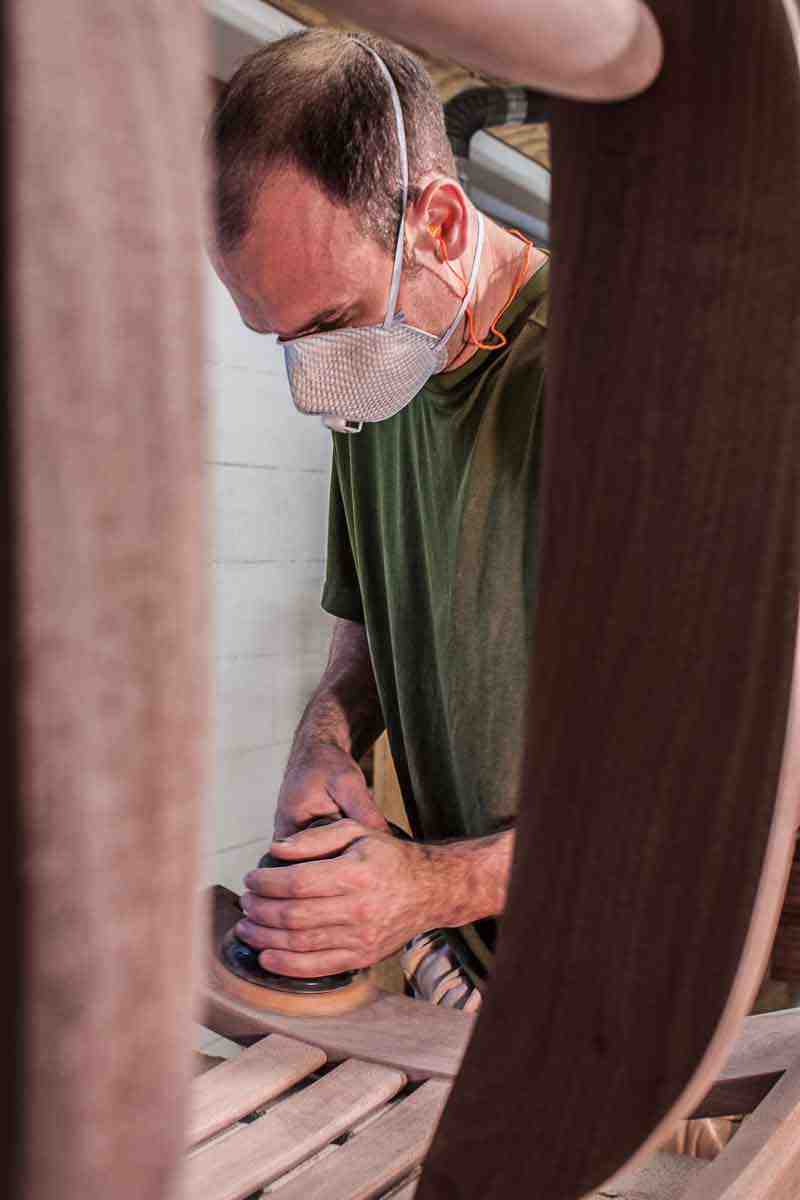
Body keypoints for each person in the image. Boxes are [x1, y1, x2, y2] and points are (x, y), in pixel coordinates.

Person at [205, 14, 659, 1010]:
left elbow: (705, 790)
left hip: (659, 996)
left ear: (441, 225)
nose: (310, 382)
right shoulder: (370, 385)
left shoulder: (633, 379)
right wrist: (324, 739)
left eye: (327, 323)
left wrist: (427, 884)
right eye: (276, 339)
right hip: (487, 959)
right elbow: (366, 626)